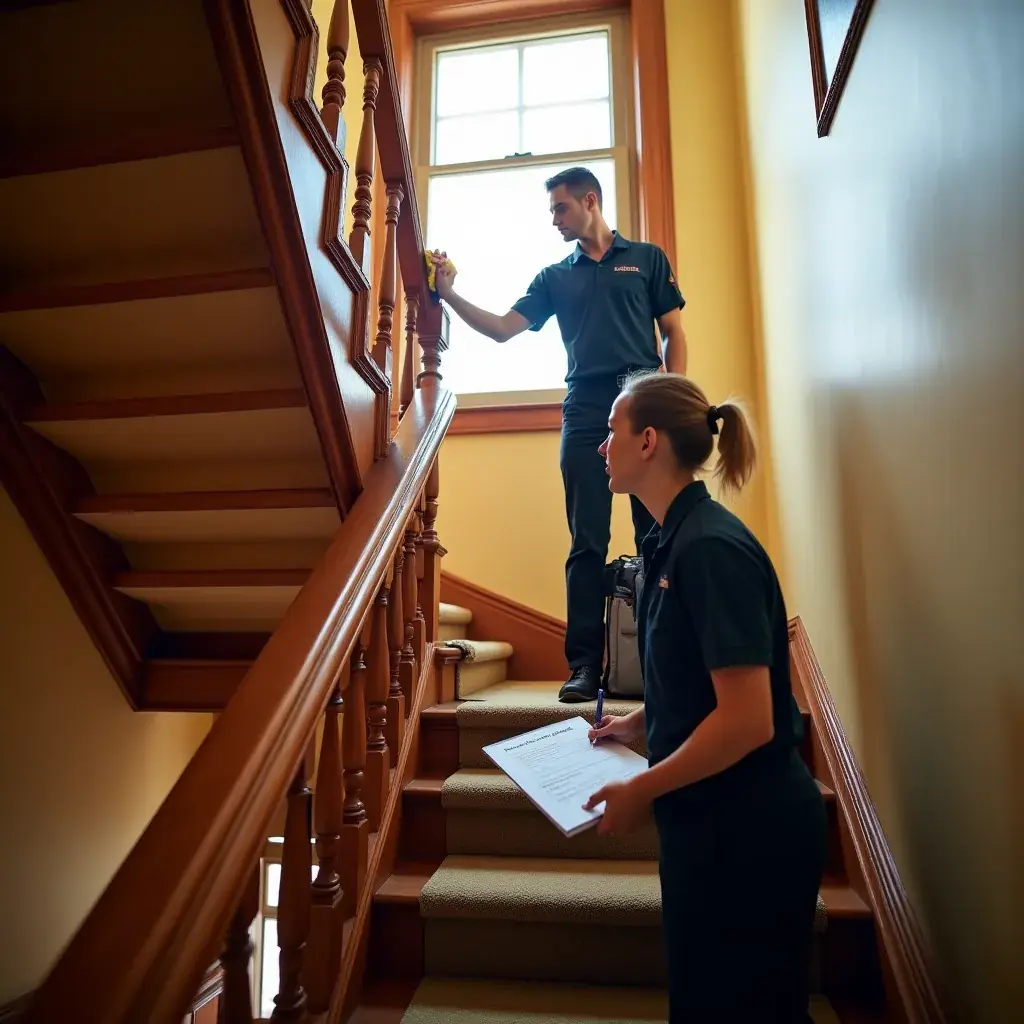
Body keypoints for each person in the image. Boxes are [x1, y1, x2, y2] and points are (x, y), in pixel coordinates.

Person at [582, 372, 827, 1023]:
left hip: (750, 833)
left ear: (649, 441)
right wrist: (636, 725)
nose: (602, 447)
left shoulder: (711, 549)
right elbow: (697, 680)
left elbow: (748, 720)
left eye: (612, 431)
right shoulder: (670, 542)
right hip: (708, 827)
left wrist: (644, 788)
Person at [430, 166, 687, 702]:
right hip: (587, 410)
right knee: (586, 542)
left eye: (559, 209)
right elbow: (503, 328)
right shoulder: (554, 277)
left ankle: (664, 661)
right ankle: (584, 667)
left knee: (656, 536)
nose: (553, 220)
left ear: (589, 201)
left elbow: (673, 333)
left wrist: (672, 400)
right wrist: (449, 294)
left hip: (643, 408)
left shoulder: (647, 259)